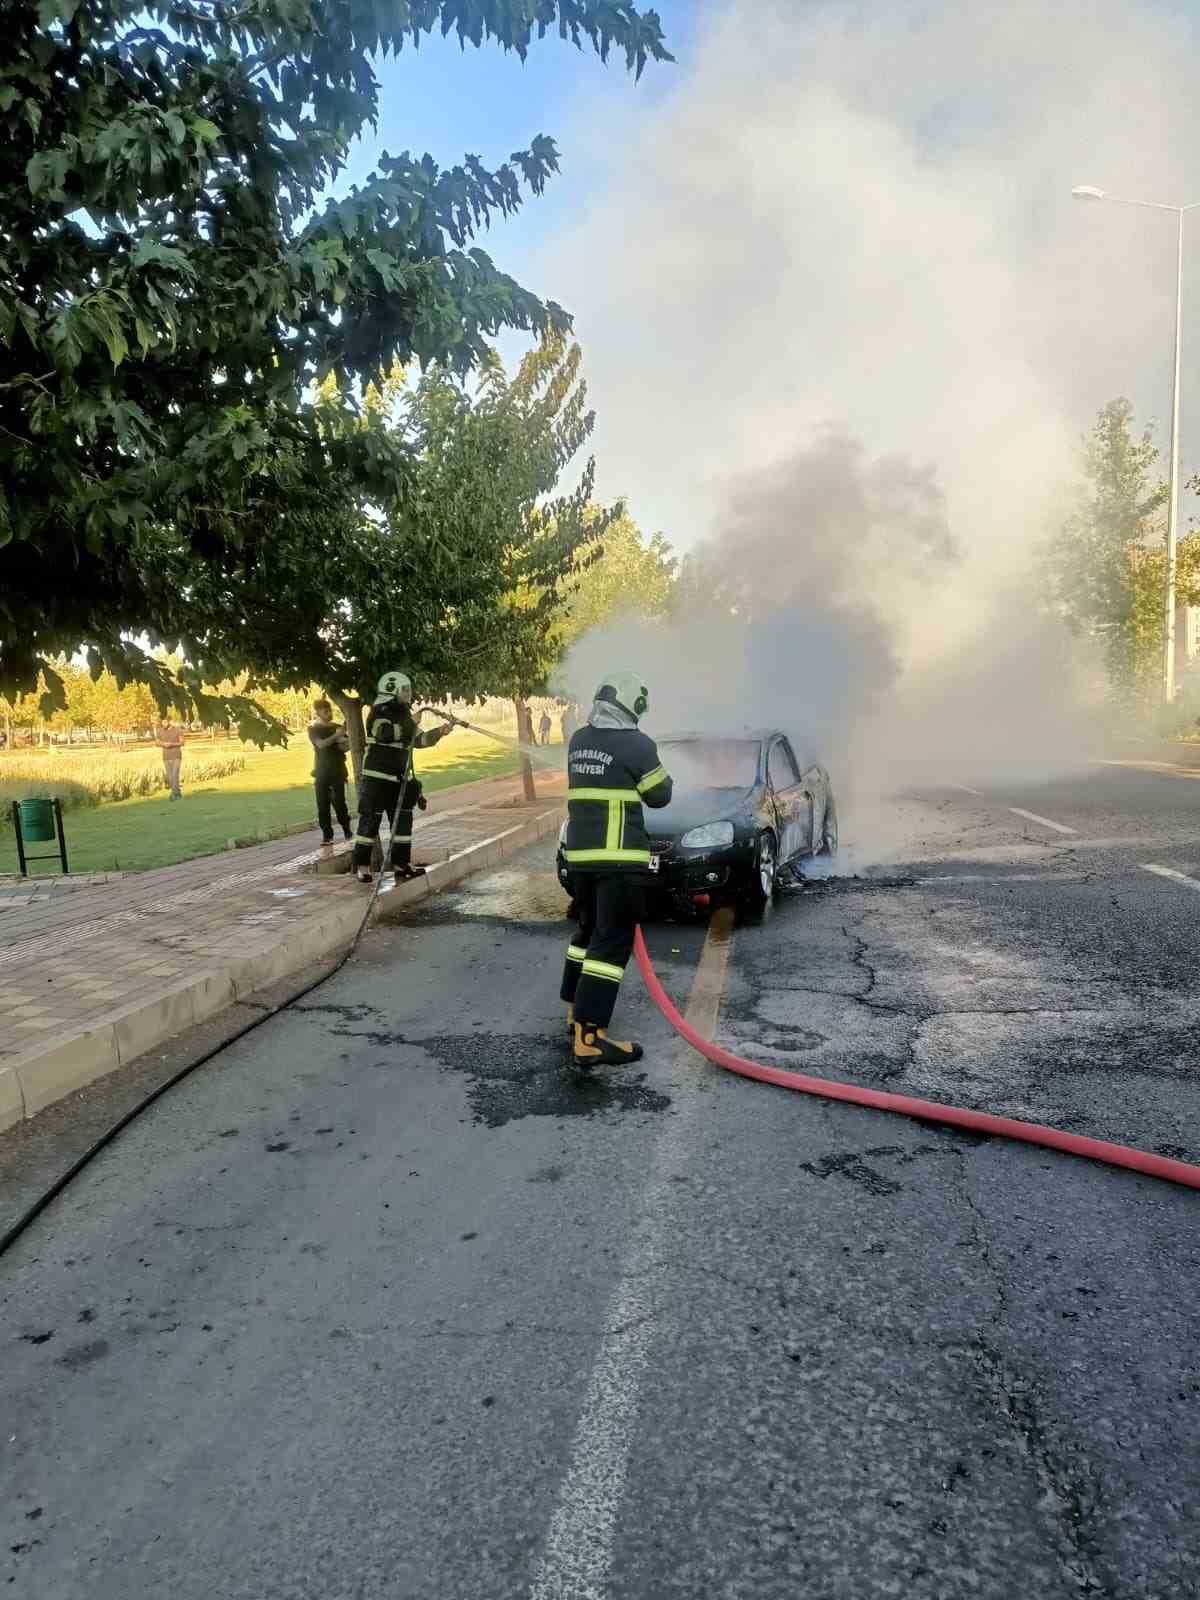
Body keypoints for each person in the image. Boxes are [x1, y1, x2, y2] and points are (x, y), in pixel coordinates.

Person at [559, 670, 672, 1070]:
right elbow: (660, 795)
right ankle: (589, 1037)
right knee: (610, 945)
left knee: (587, 933)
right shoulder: (637, 745)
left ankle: (574, 1013)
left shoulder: (579, 740)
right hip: (620, 862)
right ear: (633, 705)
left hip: (581, 862)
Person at [351, 670, 458, 885]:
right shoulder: (377, 713)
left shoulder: (405, 716)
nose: (409, 693)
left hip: (399, 779)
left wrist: (440, 732)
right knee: (369, 822)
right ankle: (361, 866)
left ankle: (402, 865)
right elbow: (385, 734)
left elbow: (420, 740)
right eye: (405, 689)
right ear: (392, 690)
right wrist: (410, 723)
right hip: (377, 779)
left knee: (402, 825)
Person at [308, 699, 352, 845]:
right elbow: (320, 744)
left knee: (339, 803)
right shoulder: (314, 729)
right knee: (322, 805)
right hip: (321, 772)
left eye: (330, 710)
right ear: (318, 712)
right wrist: (336, 736)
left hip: (338, 771)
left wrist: (346, 739)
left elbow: (345, 748)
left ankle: (347, 830)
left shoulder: (337, 727)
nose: (329, 713)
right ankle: (327, 836)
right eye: (325, 711)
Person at [155, 714, 185, 800]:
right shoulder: (159, 731)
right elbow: (156, 743)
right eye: (162, 722)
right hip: (166, 757)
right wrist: (163, 744)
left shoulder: (177, 730)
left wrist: (172, 744)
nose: (163, 723)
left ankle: (173, 795)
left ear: (169, 721)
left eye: (165, 722)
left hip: (176, 756)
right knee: (170, 777)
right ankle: (178, 793)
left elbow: (182, 742)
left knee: (175, 775)